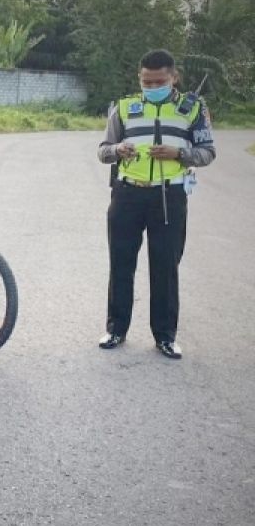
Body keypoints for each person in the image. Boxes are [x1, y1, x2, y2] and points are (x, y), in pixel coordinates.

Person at [96, 48, 216, 359]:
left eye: (158, 81)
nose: (151, 87)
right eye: (146, 82)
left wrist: (179, 154)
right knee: (121, 264)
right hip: (127, 195)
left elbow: (207, 152)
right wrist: (118, 149)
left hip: (169, 197)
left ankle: (165, 336)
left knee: (165, 268)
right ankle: (115, 329)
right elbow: (103, 149)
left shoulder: (193, 109)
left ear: (173, 78)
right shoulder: (124, 107)